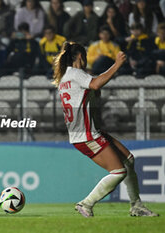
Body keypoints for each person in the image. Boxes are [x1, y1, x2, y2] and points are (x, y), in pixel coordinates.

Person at [52, 41, 159, 217]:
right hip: (86, 135)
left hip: (89, 132)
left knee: (129, 160)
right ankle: (86, 203)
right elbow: (95, 85)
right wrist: (117, 64)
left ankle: (136, 205)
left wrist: (94, 92)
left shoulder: (65, 77)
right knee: (119, 171)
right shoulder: (76, 73)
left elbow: (89, 92)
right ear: (80, 57)